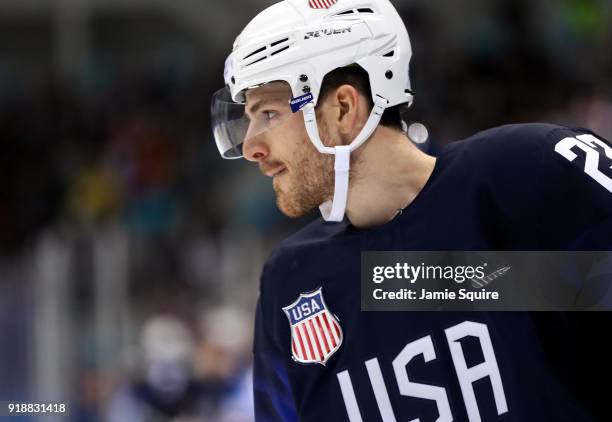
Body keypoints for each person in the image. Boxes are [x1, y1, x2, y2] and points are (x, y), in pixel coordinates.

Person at [211, 0, 612, 420]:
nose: (252, 147)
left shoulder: (532, 169)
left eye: (269, 114)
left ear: (344, 109)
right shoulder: (291, 280)